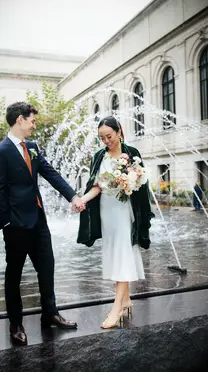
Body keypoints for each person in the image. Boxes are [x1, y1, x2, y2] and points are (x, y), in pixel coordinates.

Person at [0, 102, 84, 346]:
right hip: (16, 226)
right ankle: (16, 323)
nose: (34, 125)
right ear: (20, 120)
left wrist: (73, 196)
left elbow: (50, 173)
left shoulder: (32, 147)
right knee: (14, 275)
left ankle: (50, 313)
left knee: (47, 267)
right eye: (32, 120)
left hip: (39, 221)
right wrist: (7, 223)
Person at [77, 116, 154, 329]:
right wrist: (82, 200)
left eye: (109, 136)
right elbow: (97, 186)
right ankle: (127, 300)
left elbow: (142, 185)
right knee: (116, 252)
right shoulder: (99, 156)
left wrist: (131, 182)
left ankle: (117, 308)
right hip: (106, 211)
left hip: (125, 211)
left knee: (122, 252)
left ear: (119, 131)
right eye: (102, 138)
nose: (106, 141)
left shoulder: (132, 154)